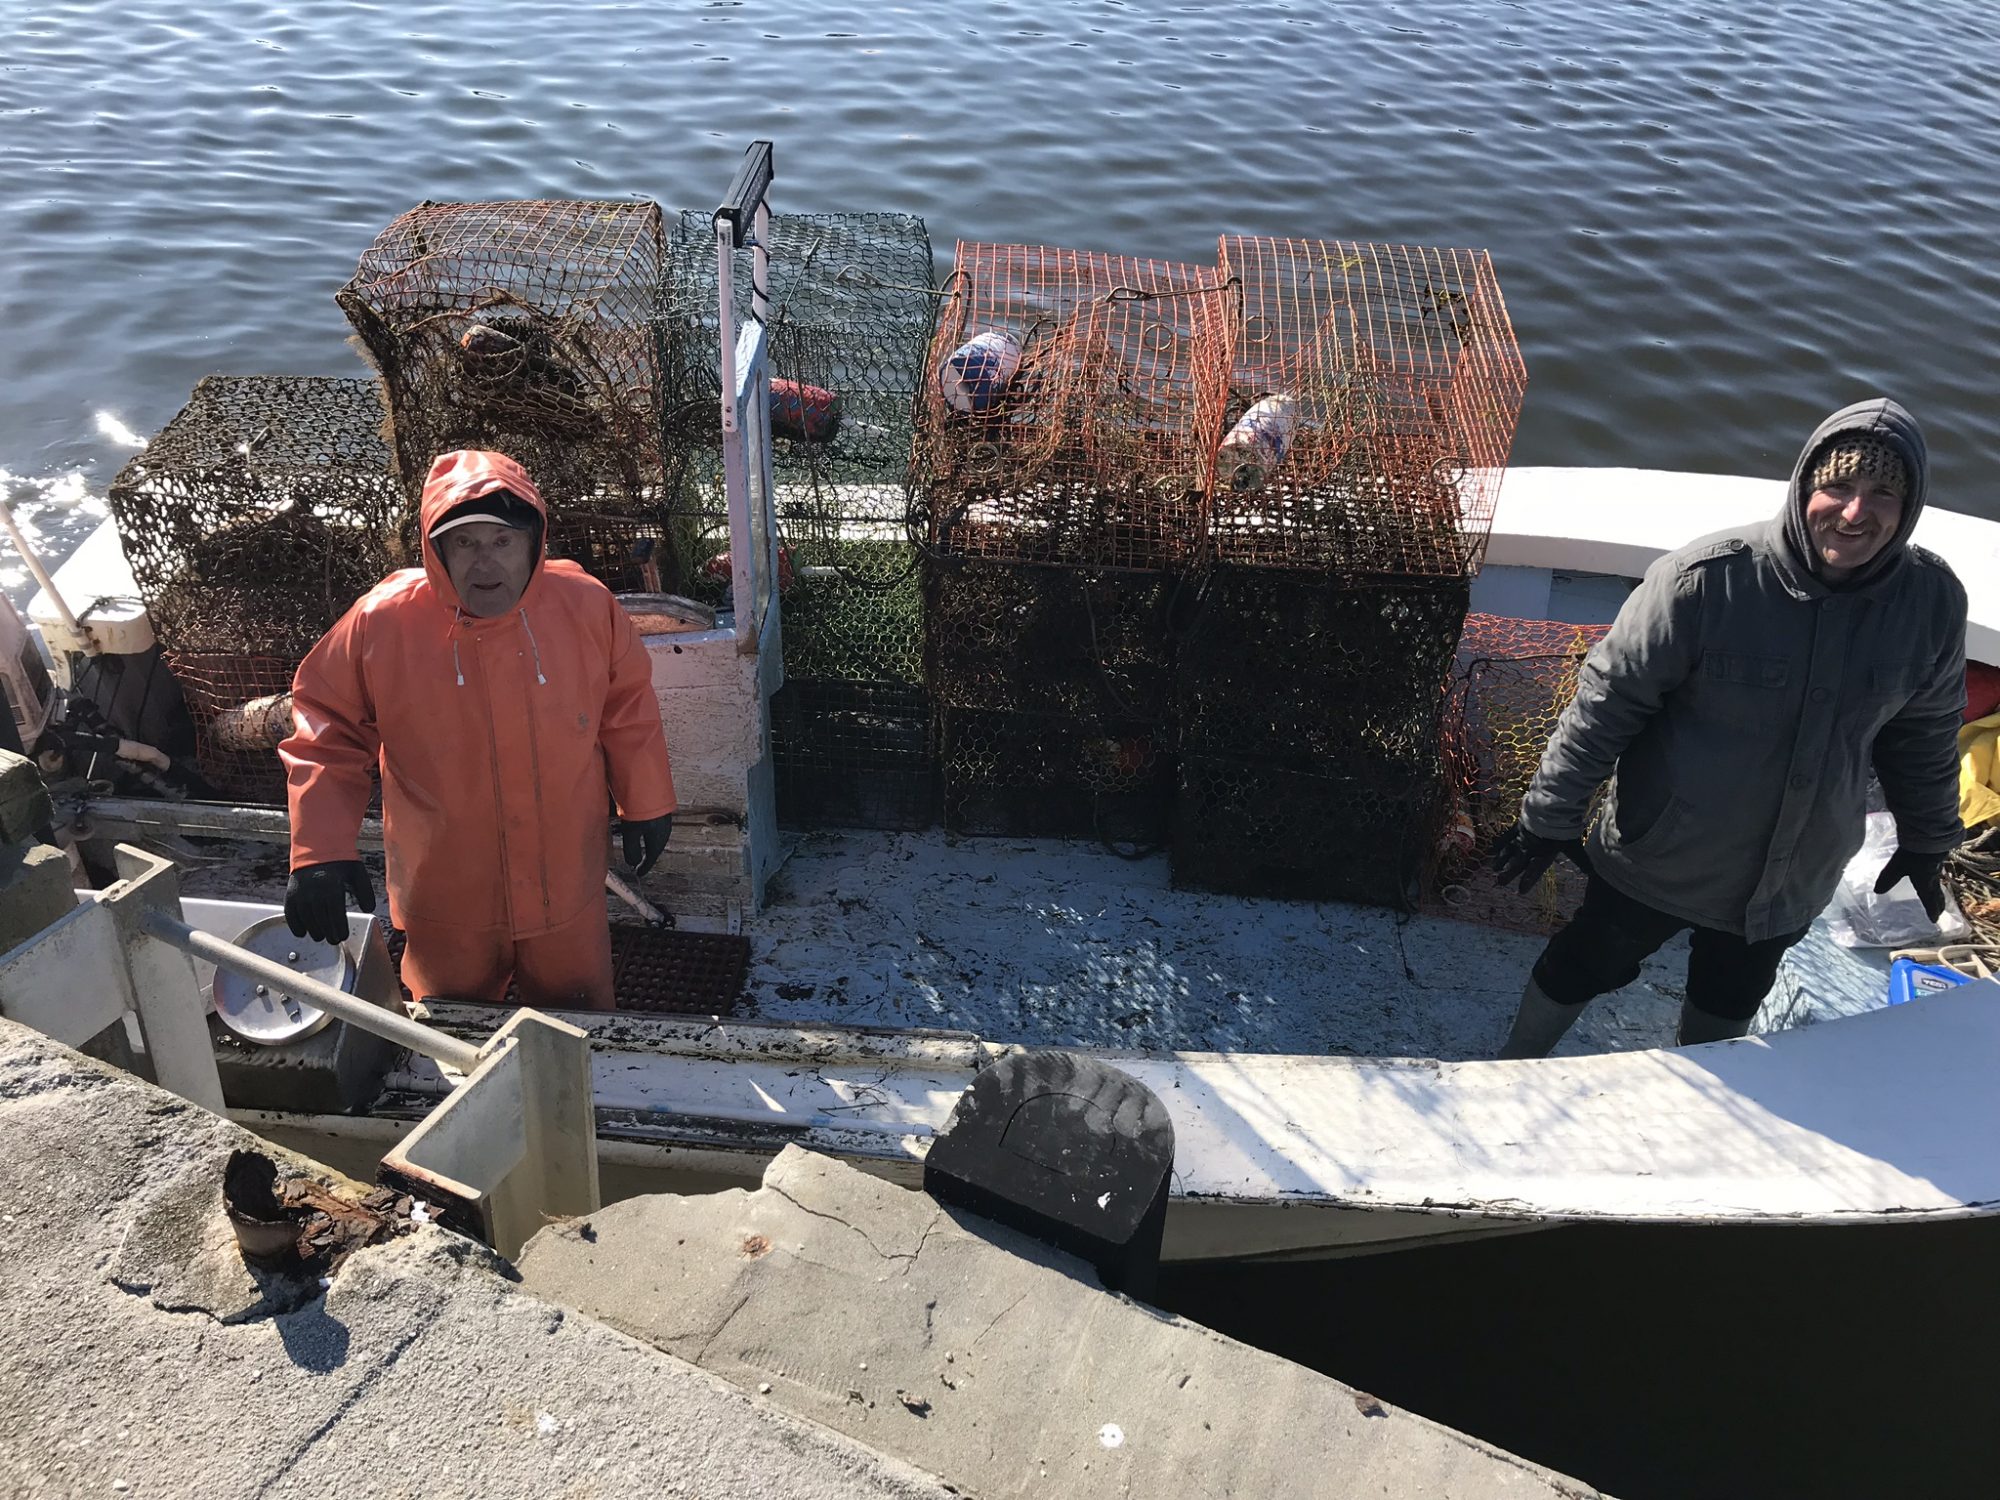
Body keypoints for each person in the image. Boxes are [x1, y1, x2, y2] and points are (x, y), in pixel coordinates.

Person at [1490, 398, 1966, 1056]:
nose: (1857, 512)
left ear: (1908, 507)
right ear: (1804, 485)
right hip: (1659, 859)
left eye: (1884, 492)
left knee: (1731, 996)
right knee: (1584, 963)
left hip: (1795, 877)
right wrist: (1550, 815)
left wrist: (1928, 839)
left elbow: (1928, 734)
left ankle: (1706, 1086)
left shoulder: (1933, 601)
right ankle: (1517, 1058)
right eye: (1839, 485)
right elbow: (1607, 704)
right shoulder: (1701, 581)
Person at [279, 449, 676, 1010]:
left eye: (502, 541)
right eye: (464, 543)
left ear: (534, 542)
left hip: (565, 880)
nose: (484, 565)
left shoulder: (587, 605)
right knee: (449, 1022)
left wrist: (648, 801)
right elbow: (327, 726)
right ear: (435, 549)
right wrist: (318, 850)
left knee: (580, 1015)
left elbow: (627, 705)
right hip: (444, 887)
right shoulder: (381, 620)